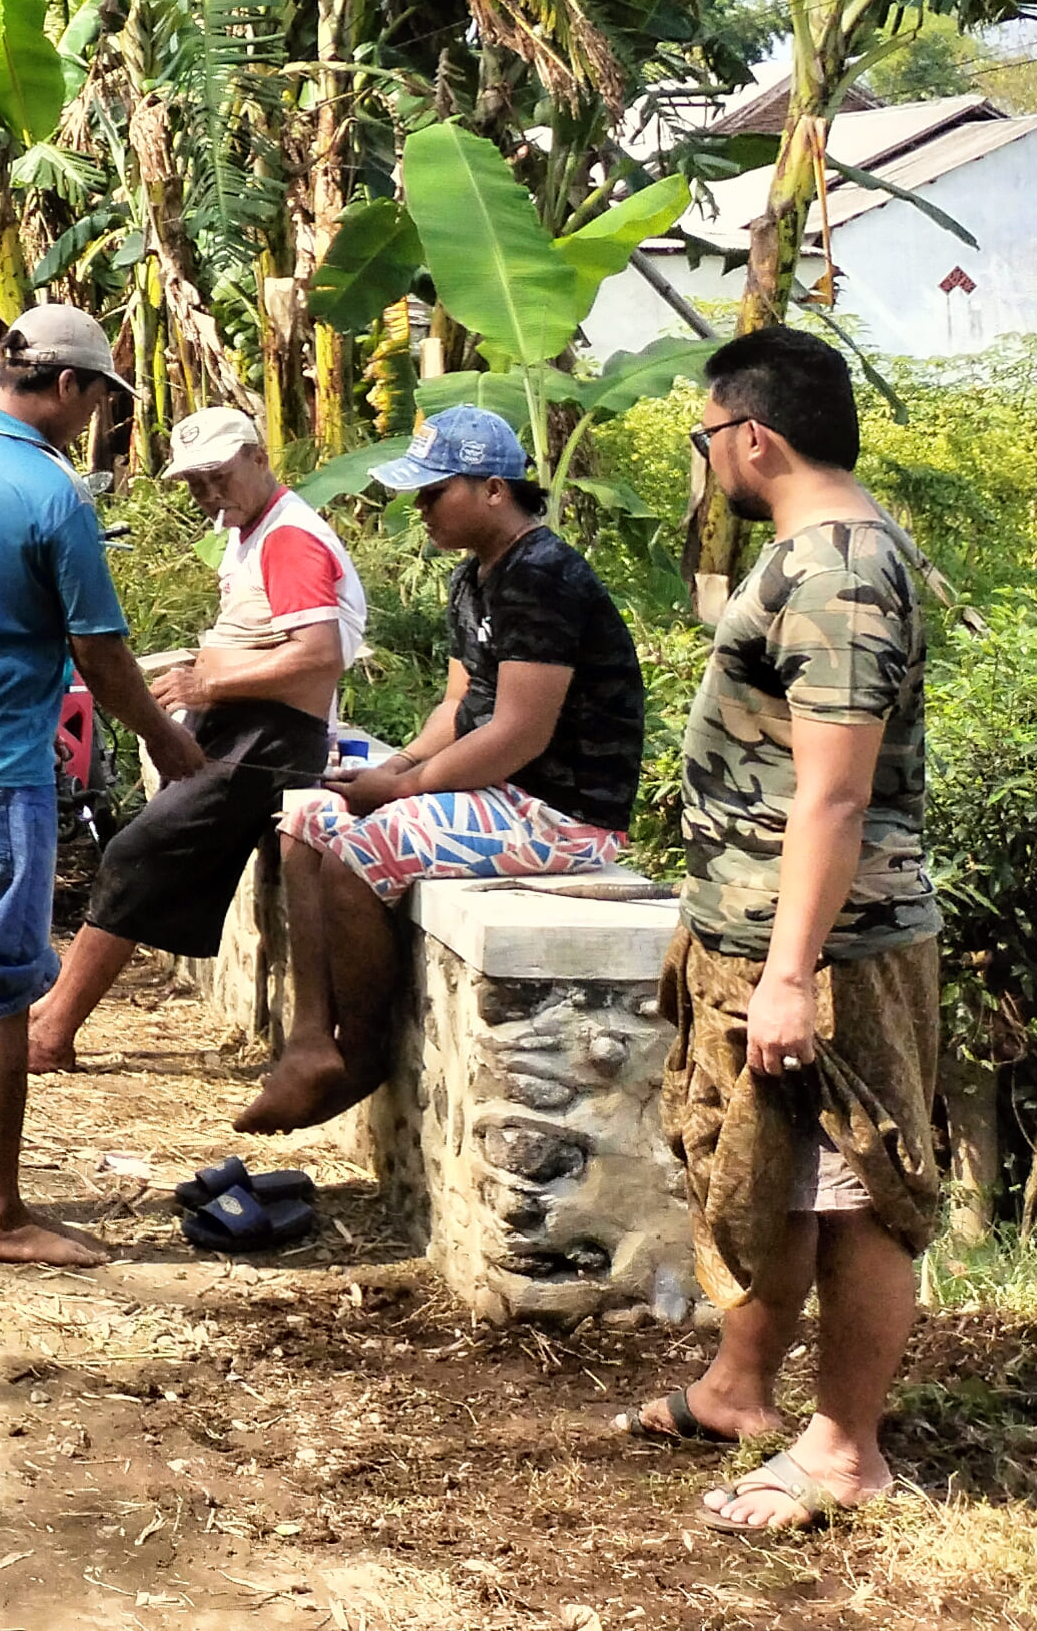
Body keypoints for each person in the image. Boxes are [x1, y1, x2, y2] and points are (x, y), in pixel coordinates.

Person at [628, 326, 948, 1538]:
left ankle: (844, 1451)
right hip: (764, 927)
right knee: (779, 1178)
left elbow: (833, 790)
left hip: (832, 941)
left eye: (706, 436)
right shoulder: (820, 552)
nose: (706, 457)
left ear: (751, 434)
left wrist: (790, 973)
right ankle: (737, 1389)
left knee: (856, 1185)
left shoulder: (840, 572)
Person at [0, 302, 205, 1265]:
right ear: (68, 386)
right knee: (3, 987)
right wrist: (169, 745)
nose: (97, 410)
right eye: (98, 393)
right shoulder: (53, 495)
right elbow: (102, 658)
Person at [242, 403, 647, 1133]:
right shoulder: (475, 580)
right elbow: (462, 706)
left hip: (562, 812)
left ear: (494, 488)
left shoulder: (542, 574)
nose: (422, 509)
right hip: (503, 792)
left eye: (435, 493)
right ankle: (309, 1040)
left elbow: (520, 731)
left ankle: (362, 1056)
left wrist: (398, 791)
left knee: (360, 854)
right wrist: (391, 768)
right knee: (305, 820)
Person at [17, 405, 367, 1072]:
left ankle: (55, 1027)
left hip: (269, 737)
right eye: (194, 482)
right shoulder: (253, 531)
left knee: (137, 851)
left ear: (258, 459)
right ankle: (55, 1010)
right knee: (143, 851)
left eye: (217, 475)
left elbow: (319, 655)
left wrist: (210, 688)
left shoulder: (292, 538)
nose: (207, 493)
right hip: (244, 727)